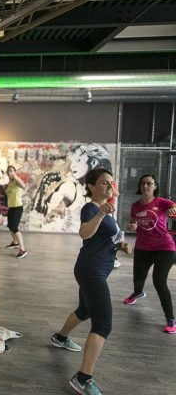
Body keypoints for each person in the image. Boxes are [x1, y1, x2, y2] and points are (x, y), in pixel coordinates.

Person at [50, 168, 129, 395]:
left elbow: (106, 237)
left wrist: (121, 245)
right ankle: (82, 378)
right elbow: (84, 234)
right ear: (92, 186)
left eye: (110, 183)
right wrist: (101, 214)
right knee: (103, 324)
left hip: (95, 269)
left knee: (85, 310)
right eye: (103, 183)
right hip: (91, 270)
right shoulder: (91, 208)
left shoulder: (108, 209)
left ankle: (60, 337)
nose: (108, 186)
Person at [124, 174, 176, 334]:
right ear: (140, 187)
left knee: (159, 281)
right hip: (143, 247)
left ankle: (171, 320)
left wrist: (174, 209)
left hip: (165, 247)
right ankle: (138, 293)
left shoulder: (161, 202)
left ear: (155, 186)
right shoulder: (135, 206)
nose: (146, 186)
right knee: (138, 278)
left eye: (149, 183)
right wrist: (132, 225)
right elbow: (133, 221)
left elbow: (173, 206)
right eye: (143, 183)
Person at [5, 166, 28, 258]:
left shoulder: (17, 181)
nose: (9, 172)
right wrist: (4, 188)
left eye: (11, 171)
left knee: (14, 228)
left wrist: (14, 176)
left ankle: (23, 249)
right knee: (10, 226)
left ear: (14, 172)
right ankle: (15, 243)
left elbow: (23, 185)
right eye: (8, 171)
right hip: (11, 207)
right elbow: (9, 195)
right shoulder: (10, 183)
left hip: (18, 207)